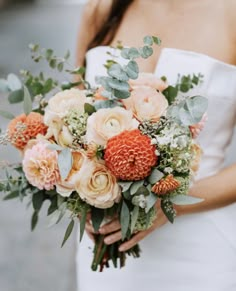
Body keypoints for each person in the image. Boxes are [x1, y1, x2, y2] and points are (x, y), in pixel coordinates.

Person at [75, 1, 236, 290]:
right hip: (106, 257)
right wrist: (82, 191)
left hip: (201, 255)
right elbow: (73, 120)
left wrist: (170, 203)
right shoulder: (102, 8)